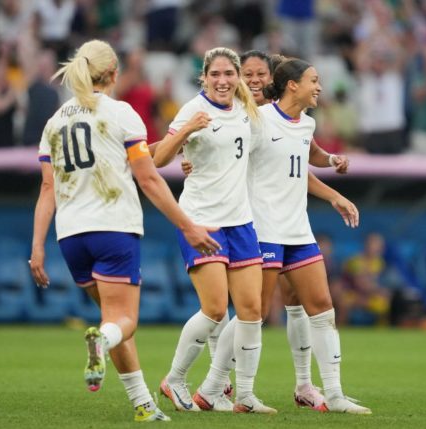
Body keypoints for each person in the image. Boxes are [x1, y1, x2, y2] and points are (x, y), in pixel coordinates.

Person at [27, 39, 221, 423]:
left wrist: (37, 247)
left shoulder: (55, 121)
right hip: (113, 228)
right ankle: (102, 341)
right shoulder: (121, 113)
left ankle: (143, 406)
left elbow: (47, 189)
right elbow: (148, 179)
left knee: (113, 320)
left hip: (70, 237)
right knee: (122, 322)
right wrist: (189, 226)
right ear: (114, 73)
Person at [174, 50, 360, 413]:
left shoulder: (304, 122)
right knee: (252, 312)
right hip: (261, 226)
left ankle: (333, 394)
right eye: (314, 81)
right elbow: (224, 154)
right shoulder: (253, 120)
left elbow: (304, 156)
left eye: (261, 73)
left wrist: (334, 179)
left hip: (297, 227)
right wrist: (189, 159)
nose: (319, 87)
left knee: (321, 308)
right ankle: (215, 386)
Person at [151, 47, 276, 414]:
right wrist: (186, 132)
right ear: (204, 77)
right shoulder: (193, 109)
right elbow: (157, 160)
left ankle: (233, 392)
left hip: (240, 222)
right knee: (216, 308)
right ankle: (174, 379)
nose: (222, 80)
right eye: (215, 74)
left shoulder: (247, 110)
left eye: (228, 74)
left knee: (252, 309)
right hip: (202, 219)